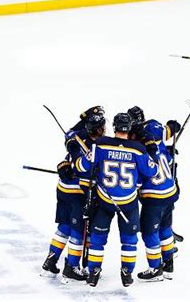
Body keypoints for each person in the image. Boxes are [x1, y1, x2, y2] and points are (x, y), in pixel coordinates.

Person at [72, 113, 159, 287]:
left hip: (105, 200)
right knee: (129, 240)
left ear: (115, 127)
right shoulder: (138, 149)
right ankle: (127, 272)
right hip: (128, 203)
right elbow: (152, 171)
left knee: (97, 238)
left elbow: (82, 166)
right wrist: (152, 152)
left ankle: (94, 271)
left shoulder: (100, 144)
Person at [40, 108, 106, 284]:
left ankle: (50, 261)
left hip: (62, 189)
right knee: (78, 231)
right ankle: (71, 268)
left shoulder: (77, 135)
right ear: (99, 129)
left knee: (64, 226)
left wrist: (85, 116)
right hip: (78, 192)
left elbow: (69, 133)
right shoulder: (100, 146)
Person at [127, 106, 181, 281]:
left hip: (154, 197)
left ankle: (155, 269)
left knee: (149, 233)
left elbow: (140, 177)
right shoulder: (156, 138)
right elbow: (172, 131)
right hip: (169, 191)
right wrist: (172, 128)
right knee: (165, 230)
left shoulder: (138, 148)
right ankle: (169, 266)